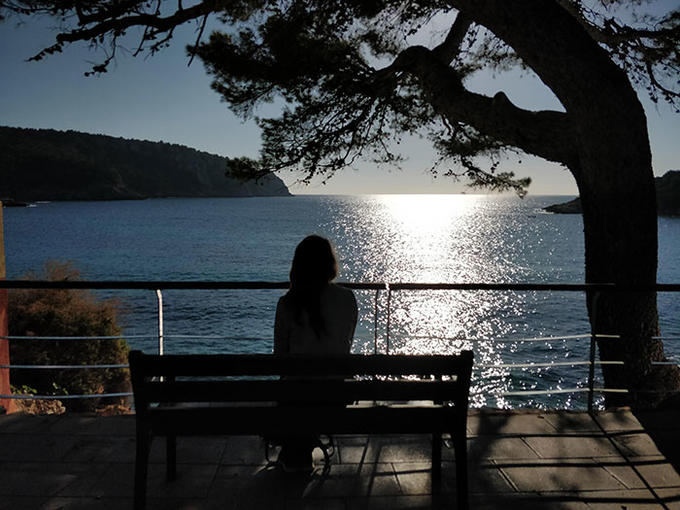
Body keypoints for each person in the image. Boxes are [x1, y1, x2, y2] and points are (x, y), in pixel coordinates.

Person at [273, 234, 358, 472]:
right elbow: (345, 346)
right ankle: (299, 450)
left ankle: (295, 452)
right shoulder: (347, 299)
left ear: (297, 265)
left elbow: (279, 357)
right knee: (311, 392)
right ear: (330, 264)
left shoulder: (287, 303)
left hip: (297, 399)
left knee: (295, 390)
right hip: (334, 399)